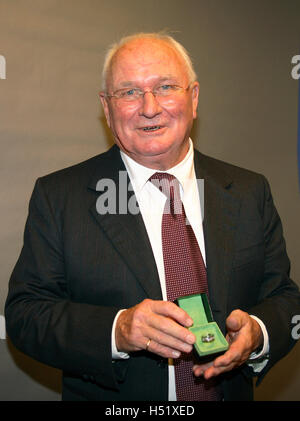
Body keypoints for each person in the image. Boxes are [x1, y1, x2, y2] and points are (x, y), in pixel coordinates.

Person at [5, 32, 300, 401]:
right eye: (128, 92)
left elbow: (284, 297)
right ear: (106, 106)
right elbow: (24, 315)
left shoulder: (247, 191)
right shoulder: (60, 197)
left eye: (165, 87)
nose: (149, 107)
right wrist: (117, 330)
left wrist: (258, 332)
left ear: (193, 98)